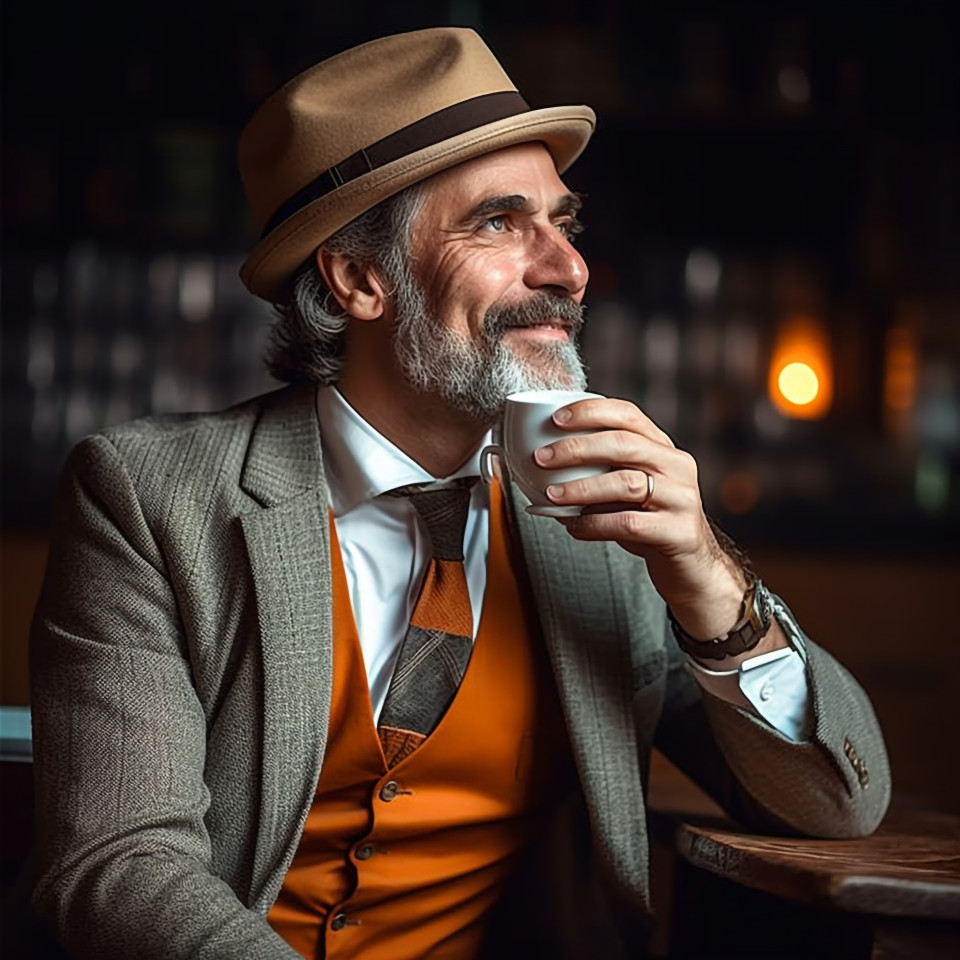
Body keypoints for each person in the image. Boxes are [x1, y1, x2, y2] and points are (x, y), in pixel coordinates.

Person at [30, 27, 890, 960]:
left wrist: (706, 578)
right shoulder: (147, 499)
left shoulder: (595, 518)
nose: (568, 269)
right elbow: (119, 869)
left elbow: (837, 804)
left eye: (563, 223)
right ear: (360, 278)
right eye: (497, 223)